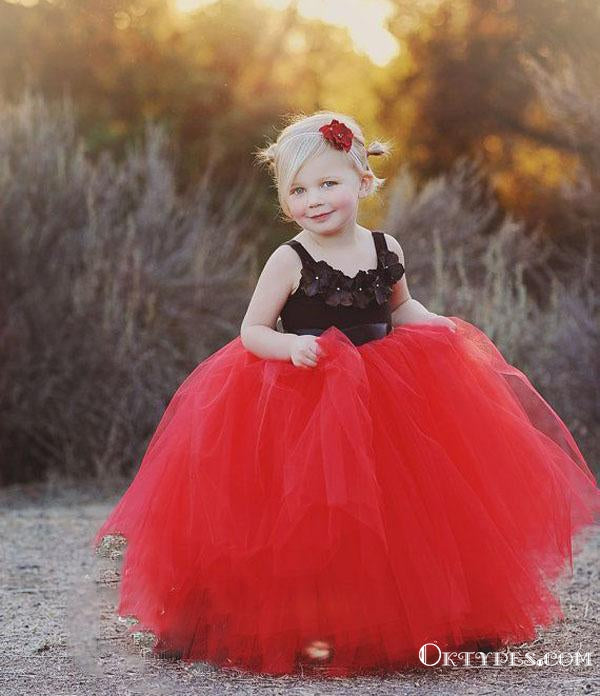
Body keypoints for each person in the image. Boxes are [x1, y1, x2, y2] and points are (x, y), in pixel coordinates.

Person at [92, 111, 600, 678]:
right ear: (285, 202)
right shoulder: (289, 259)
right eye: (298, 190)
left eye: (328, 183)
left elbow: (400, 306)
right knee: (306, 515)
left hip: (386, 389)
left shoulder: (386, 247)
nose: (314, 199)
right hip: (304, 396)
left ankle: (427, 614)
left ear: (363, 181)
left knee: (404, 504)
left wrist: (435, 325)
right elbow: (251, 331)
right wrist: (290, 350)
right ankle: (303, 624)